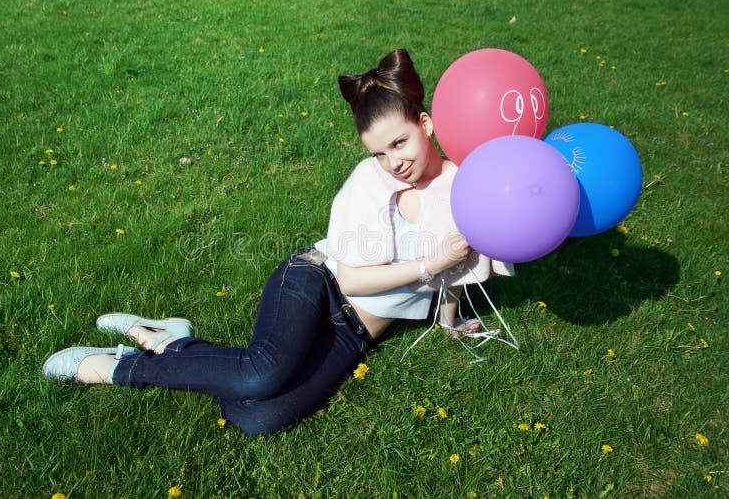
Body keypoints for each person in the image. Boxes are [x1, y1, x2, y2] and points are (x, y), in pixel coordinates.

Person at [42, 49, 512, 435]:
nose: (393, 161)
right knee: (259, 373)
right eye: (378, 151)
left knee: (255, 416)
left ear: (426, 125)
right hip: (318, 282)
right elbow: (355, 277)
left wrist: (449, 320)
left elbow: (459, 267)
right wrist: (429, 265)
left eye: (400, 143)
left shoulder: (464, 189)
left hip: (356, 334)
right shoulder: (368, 183)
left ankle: (174, 342)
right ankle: (119, 366)